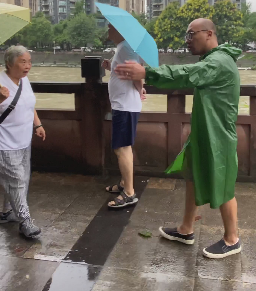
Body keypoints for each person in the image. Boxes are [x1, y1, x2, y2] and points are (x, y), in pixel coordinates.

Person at [114, 18, 242, 259]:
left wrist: (147, 73)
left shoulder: (219, 61)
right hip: (204, 132)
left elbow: (187, 74)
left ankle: (232, 239)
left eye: (191, 35)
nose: (187, 41)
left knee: (223, 184)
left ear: (209, 34)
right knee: (193, 176)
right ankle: (186, 229)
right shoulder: (213, 60)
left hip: (219, 136)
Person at [0, 45, 46, 238]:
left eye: (29, 61)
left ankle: (7, 213)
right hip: (4, 143)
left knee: (21, 179)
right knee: (16, 182)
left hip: (24, 141)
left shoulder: (24, 81)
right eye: (23, 61)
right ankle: (26, 222)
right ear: (9, 63)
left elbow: (29, 105)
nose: (28, 66)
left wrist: (37, 125)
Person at [101, 24, 146, 209]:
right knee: (122, 146)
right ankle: (123, 182)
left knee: (122, 148)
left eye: (111, 27)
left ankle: (129, 192)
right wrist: (110, 66)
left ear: (121, 30)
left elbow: (135, 72)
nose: (108, 30)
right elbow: (124, 71)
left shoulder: (126, 46)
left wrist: (140, 89)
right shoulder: (123, 47)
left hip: (126, 105)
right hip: (123, 104)